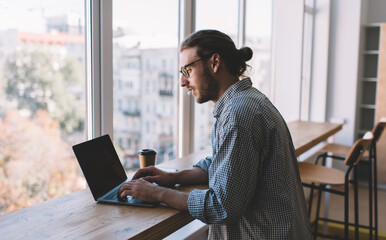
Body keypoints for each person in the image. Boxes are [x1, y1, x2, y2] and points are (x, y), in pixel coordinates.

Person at [118, 29, 312, 239]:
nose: (182, 82)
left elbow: (222, 206)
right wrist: (171, 177)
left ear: (214, 62)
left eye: (187, 71)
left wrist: (158, 193)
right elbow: (224, 163)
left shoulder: (238, 115)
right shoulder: (248, 101)